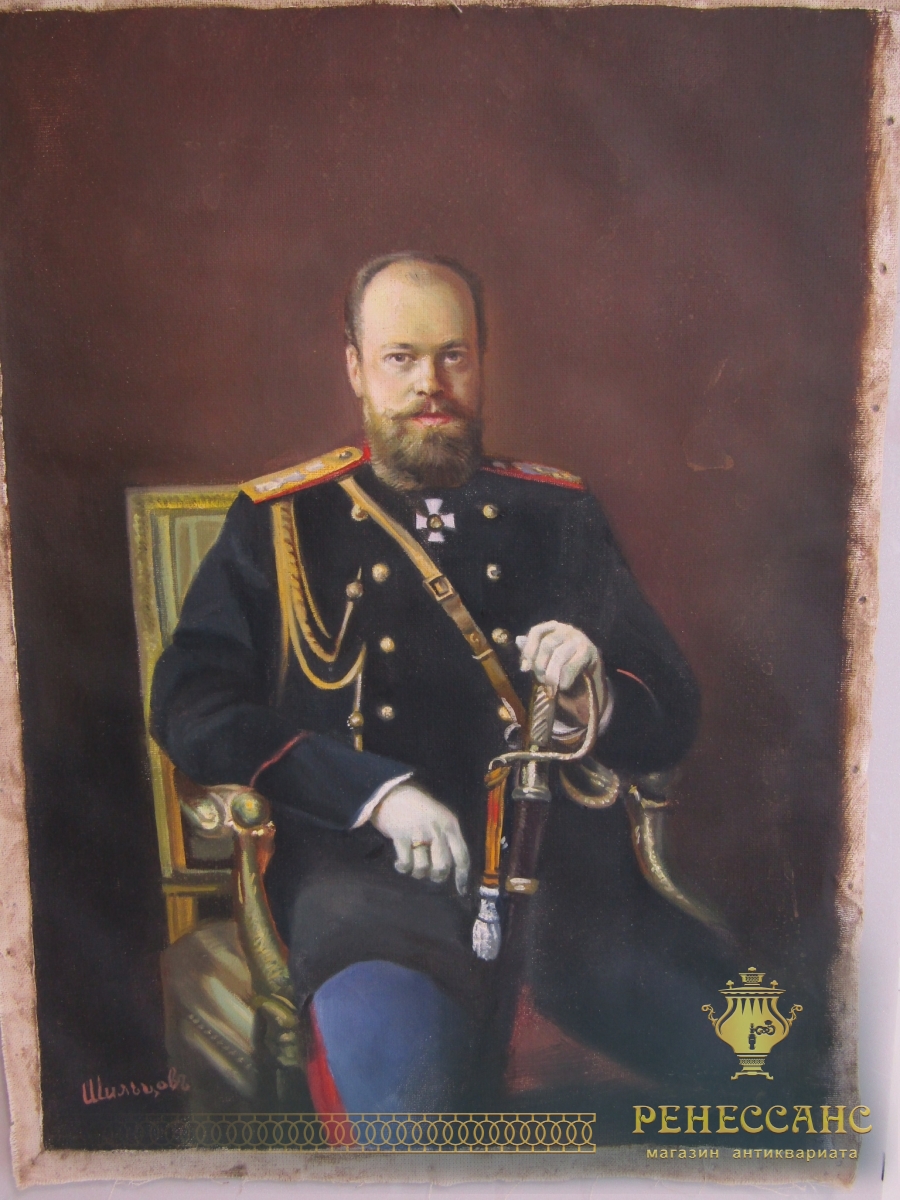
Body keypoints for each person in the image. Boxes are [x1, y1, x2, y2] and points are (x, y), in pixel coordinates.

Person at [151, 253, 723, 1119]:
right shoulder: (282, 520)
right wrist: (373, 794)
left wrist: (593, 699)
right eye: (401, 357)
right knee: (413, 1124)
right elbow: (191, 704)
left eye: (453, 355)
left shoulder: (558, 514)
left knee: (764, 1068)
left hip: (568, 888)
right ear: (355, 367)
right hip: (368, 891)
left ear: (482, 361)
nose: (431, 384)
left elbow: (671, 707)